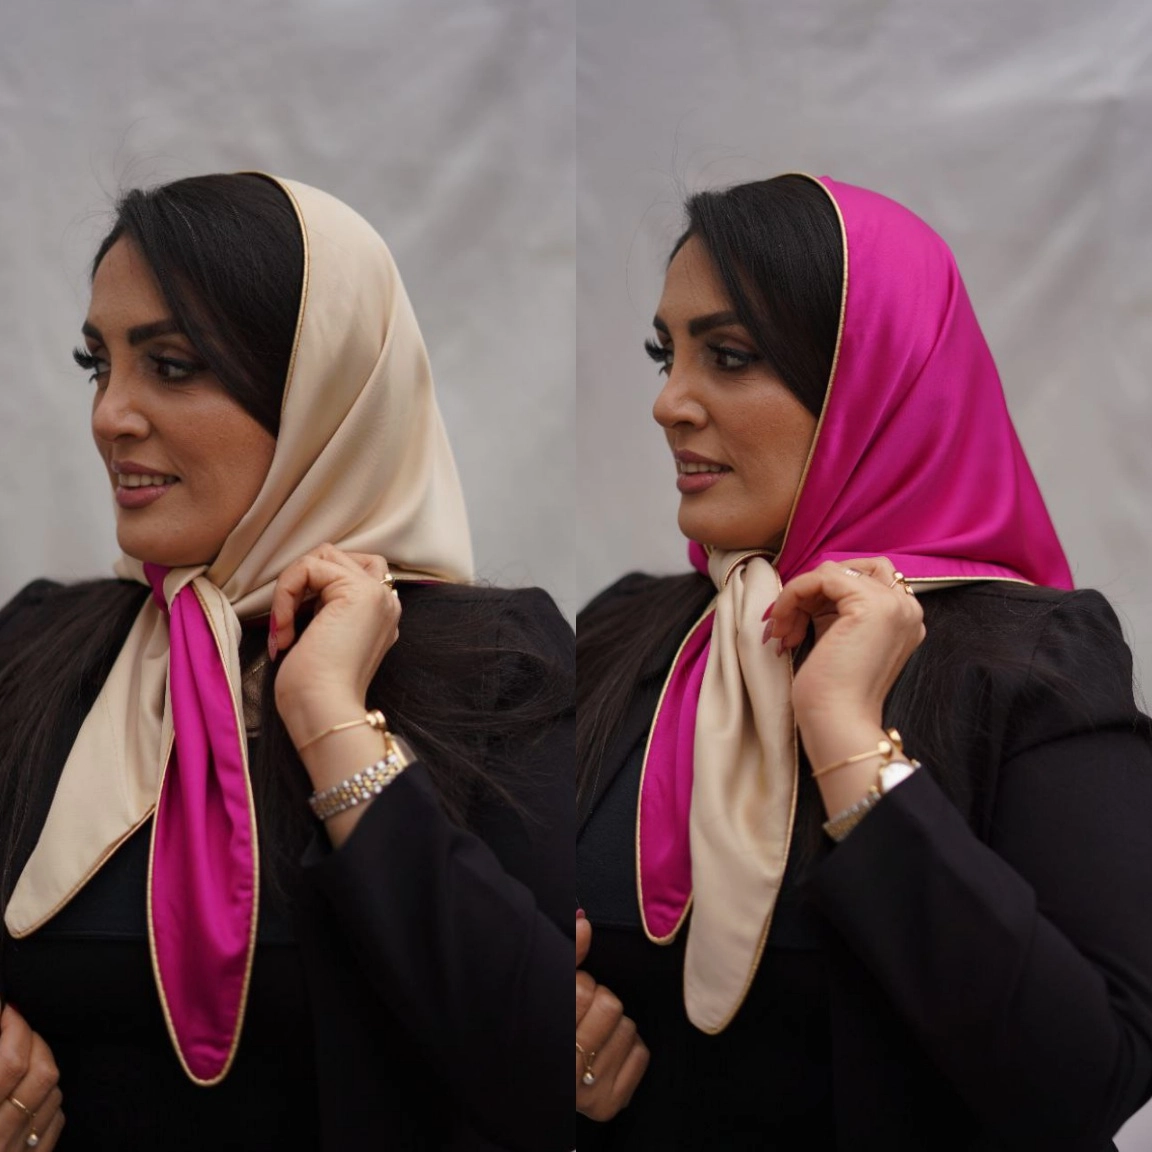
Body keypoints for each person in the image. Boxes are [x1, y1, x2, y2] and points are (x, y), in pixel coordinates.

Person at [575, 173, 1152, 1151]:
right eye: (666, 355)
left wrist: (851, 746)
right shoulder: (627, 632)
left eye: (729, 356)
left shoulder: (1028, 660)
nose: (670, 403)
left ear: (873, 378)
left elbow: (1084, 1079)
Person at [0, 173, 573, 1151]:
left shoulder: (491, 663)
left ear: (324, 390)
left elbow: (539, 1067)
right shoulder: (41, 646)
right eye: (100, 364)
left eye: (172, 366)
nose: (110, 416)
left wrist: (330, 718)